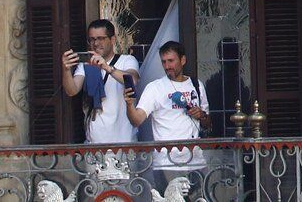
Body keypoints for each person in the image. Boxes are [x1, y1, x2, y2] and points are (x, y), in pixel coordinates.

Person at [128, 40, 210, 194]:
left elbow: (207, 123)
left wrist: (201, 115)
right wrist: (129, 104)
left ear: (183, 60)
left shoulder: (196, 85)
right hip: (166, 162)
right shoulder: (155, 88)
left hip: (196, 161)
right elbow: (137, 119)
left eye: (171, 61)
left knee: (202, 197)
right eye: (164, 62)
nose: (167, 66)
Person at [63, 19, 141, 149]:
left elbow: (132, 80)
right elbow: (72, 90)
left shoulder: (127, 60)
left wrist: (106, 67)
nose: (95, 43)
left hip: (125, 142)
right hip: (94, 144)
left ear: (112, 40)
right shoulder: (86, 65)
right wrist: (65, 69)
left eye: (100, 38)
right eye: (92, 39)